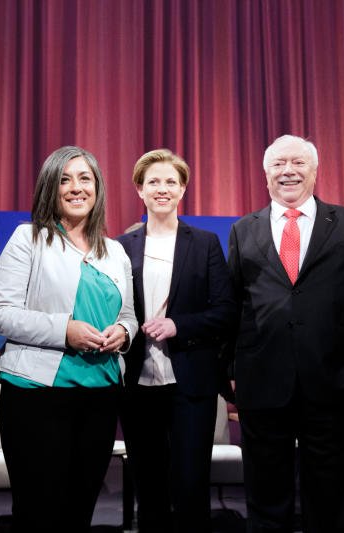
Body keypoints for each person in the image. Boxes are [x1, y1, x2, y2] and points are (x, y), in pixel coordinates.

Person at [227, 135, 344, 532]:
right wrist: (229, 368)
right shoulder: (243, 230)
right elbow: (233, 303)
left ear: (314, 171)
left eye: (298, 163)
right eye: (278, 164)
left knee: (335, 492)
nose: (288, 171)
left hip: (337, 378)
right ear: (265, 174)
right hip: (262, 379)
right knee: (266, 490)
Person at [0, 145, 137, 532]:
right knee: (39, 514)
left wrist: (123, 333)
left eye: (85, 178)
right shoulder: (28, 239)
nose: (76, 188)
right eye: (64, 180)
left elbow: (128, 316)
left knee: (79, 513)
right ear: (50, 188)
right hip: (36, 395)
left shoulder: (116, 252)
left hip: (101, 395)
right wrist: (64, 331)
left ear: (97, 187)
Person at [116, 149, 237, 532]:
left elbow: (226, 310)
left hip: (191, 384)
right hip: (136, 385)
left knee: (190, 486)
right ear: (140, 189)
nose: (162, 189)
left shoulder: (204, 243)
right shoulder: (121, 247)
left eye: (171, 181)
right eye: (153, 182)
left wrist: (177, 325)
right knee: (148, 487)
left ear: (183, 189)